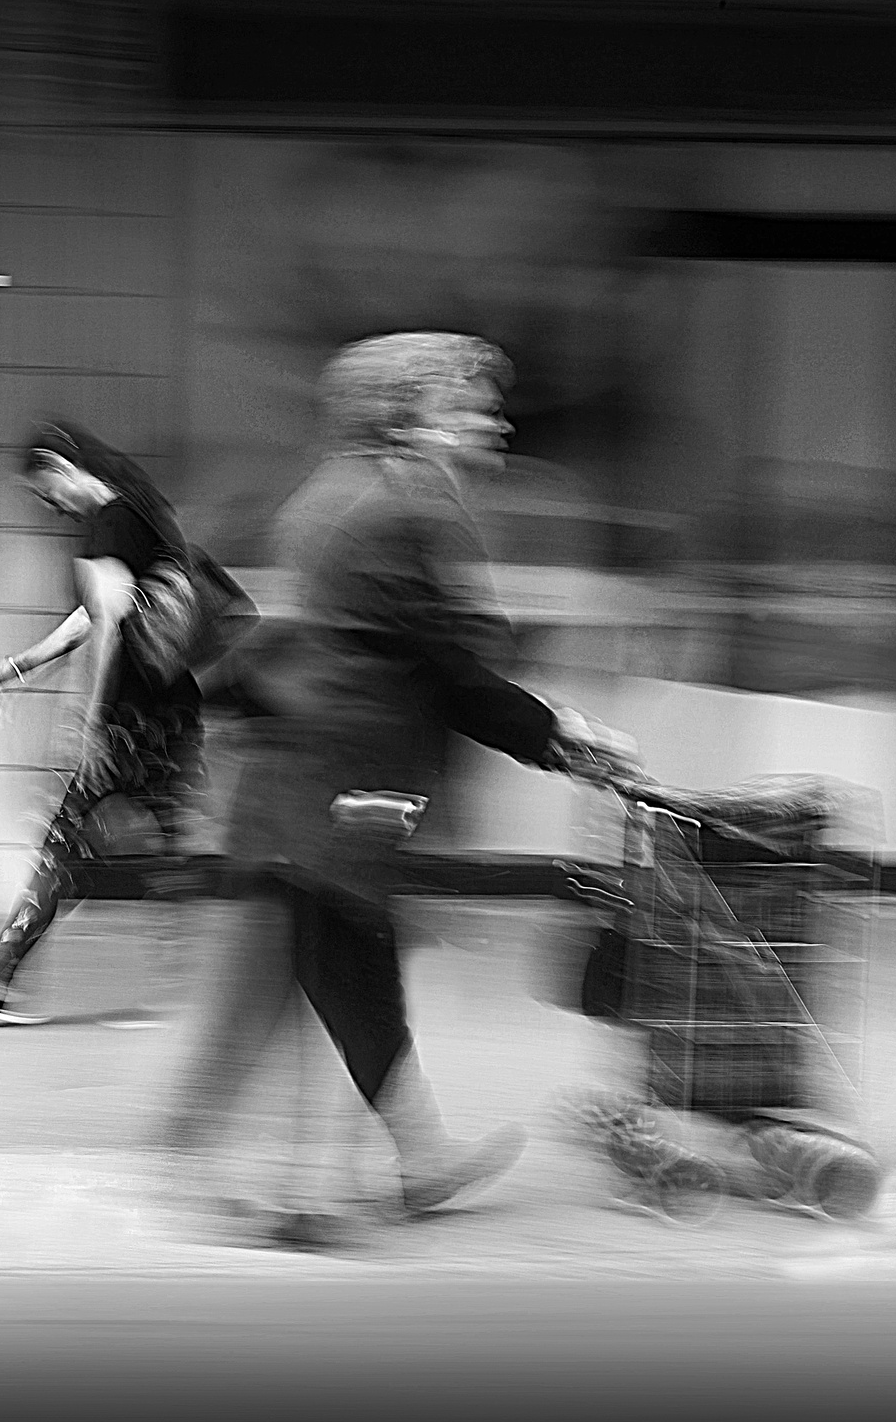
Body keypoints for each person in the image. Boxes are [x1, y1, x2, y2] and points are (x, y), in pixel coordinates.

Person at [152, 331, 635, 1223]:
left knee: (331, 970)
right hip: (344, 779)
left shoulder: (334, 490)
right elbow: (448, 669)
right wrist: (560, 737)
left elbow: (405, 650)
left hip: (307, 772)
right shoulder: (408, 509)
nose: (496, 422)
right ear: (409, 417)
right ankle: (297, 1182)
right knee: (337, 963)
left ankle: (394, 1160)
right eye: (472, 405)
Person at [0, 421, 210, 1026]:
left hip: (132, 720)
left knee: (67, 840)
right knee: (160, 847)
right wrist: (21, 664)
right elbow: (99, 612)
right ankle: (179, 1002)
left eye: (45, 491)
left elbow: (107, 624)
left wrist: (90, 721)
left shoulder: (109, 521)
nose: (50, 506)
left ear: (59, 466)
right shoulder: (139, 517)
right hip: (173, 715)